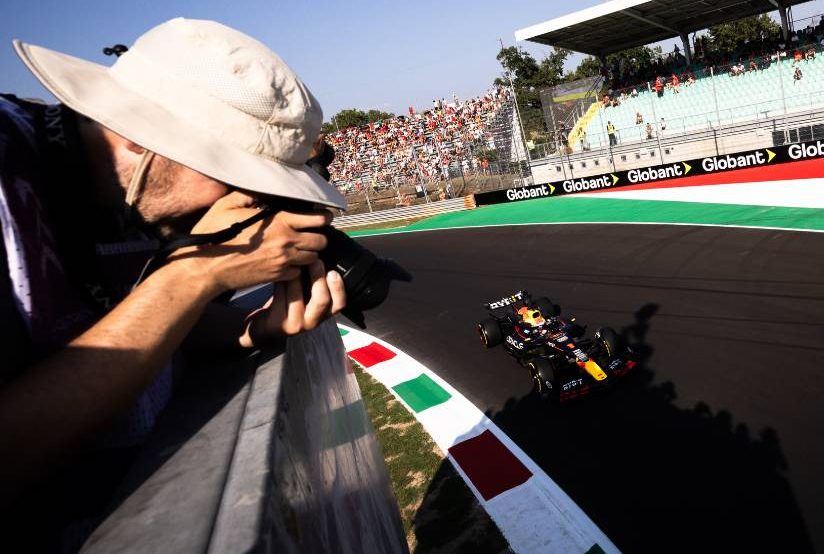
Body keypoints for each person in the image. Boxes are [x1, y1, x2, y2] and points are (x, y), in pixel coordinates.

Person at [0, 18, 348, 550]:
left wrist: (254, 328)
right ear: (143, 138)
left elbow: (151, 330)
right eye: (238, 180)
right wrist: (199, 271)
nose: (246, 204)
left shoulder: (145, 199)